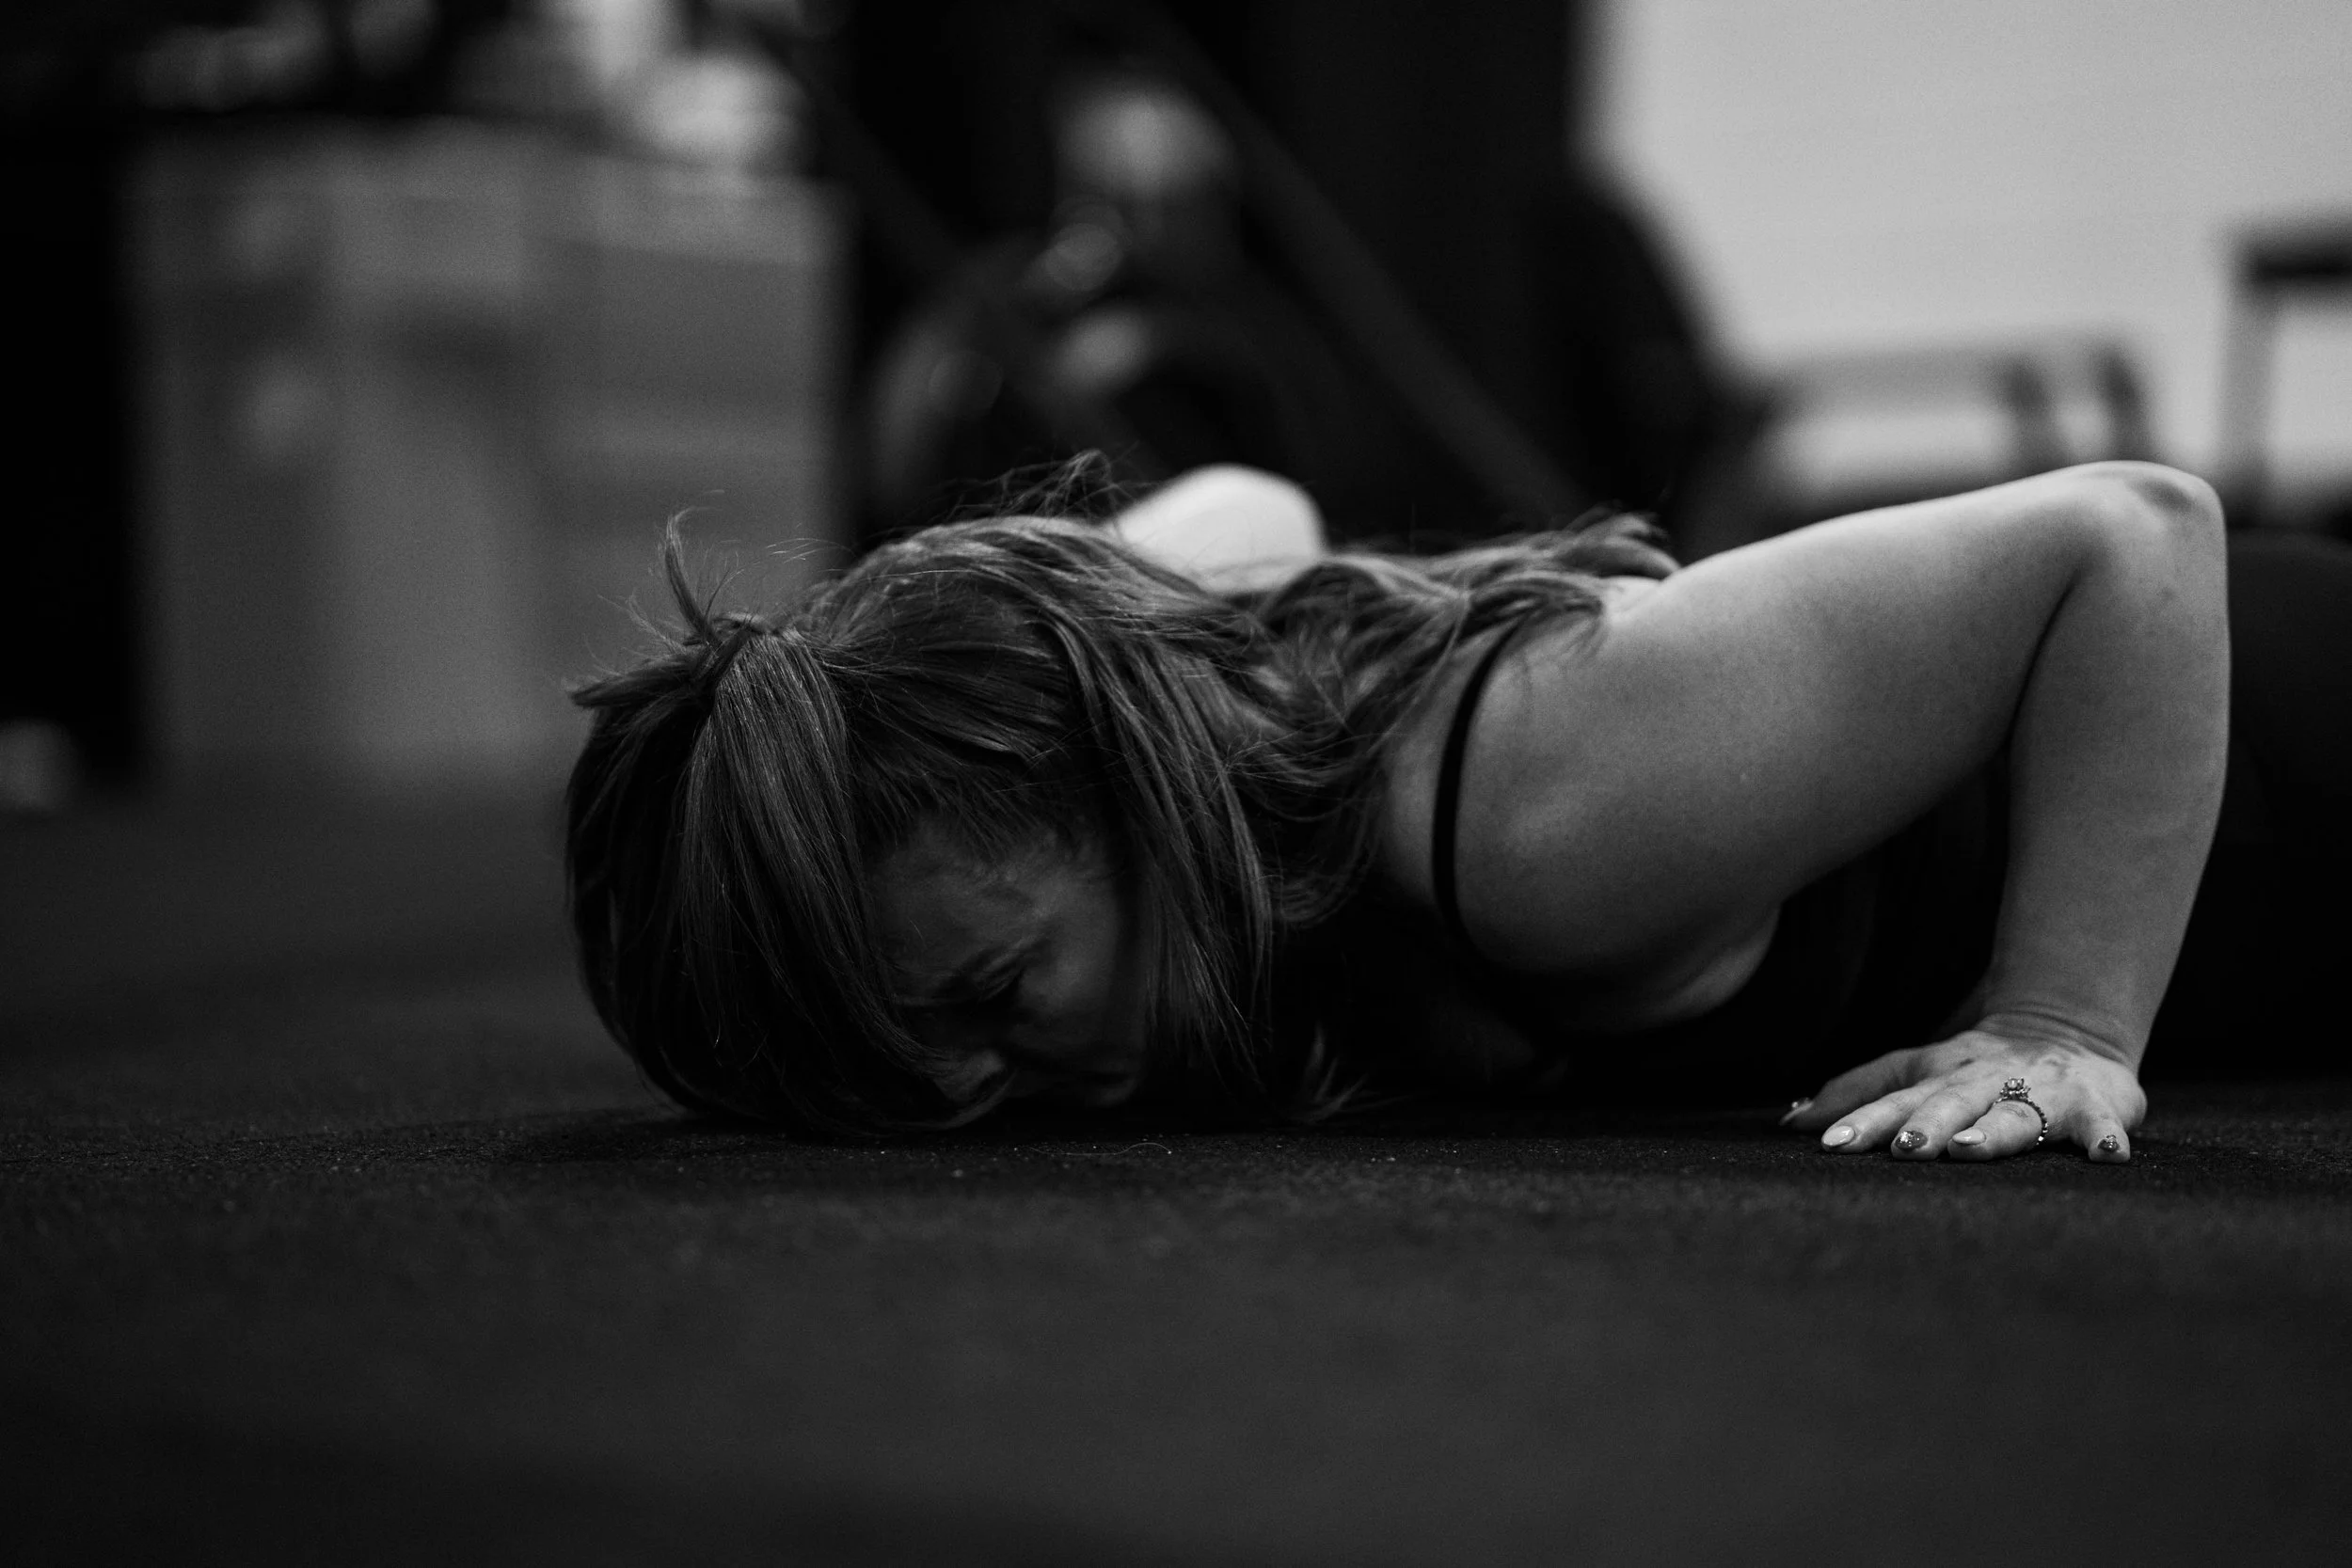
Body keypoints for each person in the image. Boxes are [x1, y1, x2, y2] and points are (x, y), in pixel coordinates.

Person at [566, 459, 2347, 1159]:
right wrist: (940, 659)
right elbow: (1247, 502)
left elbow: (2132, 538)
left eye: (996, 992)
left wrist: (2062, 1019)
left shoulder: (1530, 817)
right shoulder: (1214, 702)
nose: (970, 1093)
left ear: (1137, 786)